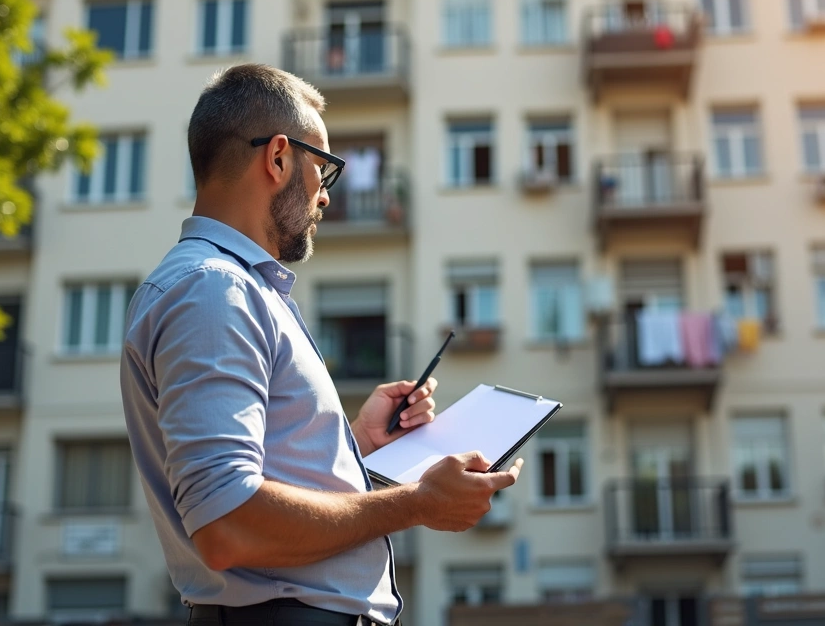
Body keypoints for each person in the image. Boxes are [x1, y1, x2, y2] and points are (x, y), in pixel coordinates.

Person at [119, 64, 523, 626]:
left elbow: (252, 484)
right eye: (324, 169)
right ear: (278, 158)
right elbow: (225, 523)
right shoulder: (215, 291)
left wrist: (356, 447)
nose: (326, 197)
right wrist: (418, 503)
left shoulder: (228, 288)